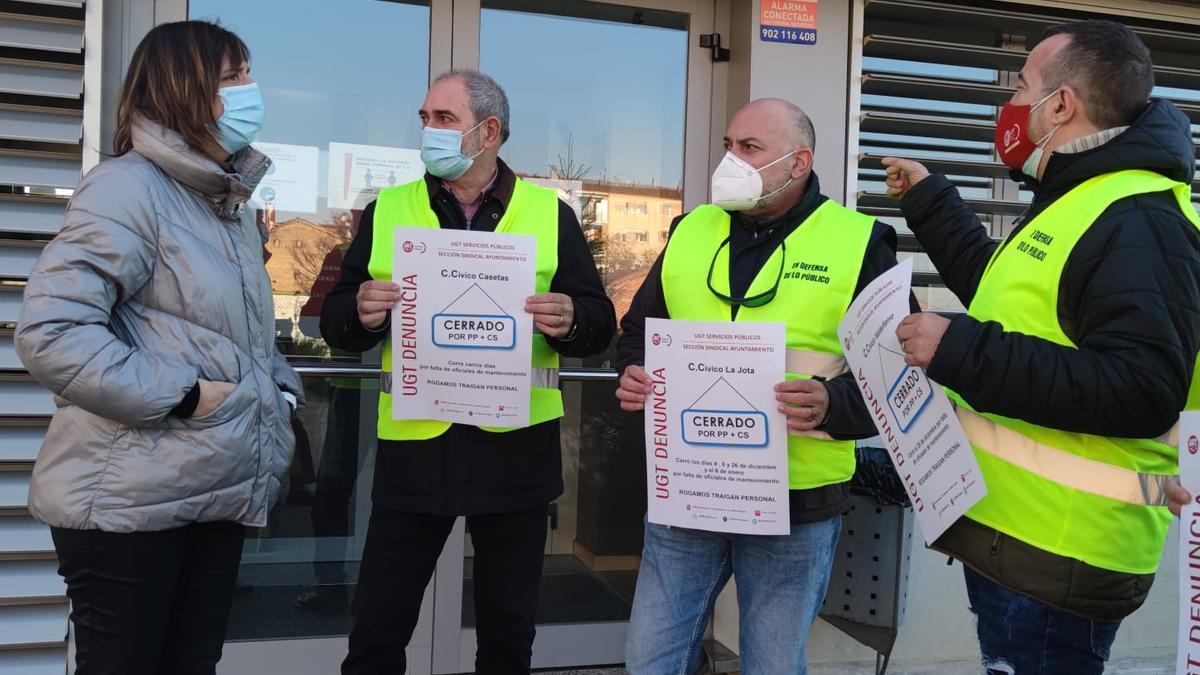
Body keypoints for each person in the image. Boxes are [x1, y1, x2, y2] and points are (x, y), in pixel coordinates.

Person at [883, 19, 1200, 674]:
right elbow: (1006, 300)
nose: (1010, 106)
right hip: (1021, 543)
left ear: (1062, 104)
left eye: (1023, 85)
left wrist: (959, 349)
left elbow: (1141, 388)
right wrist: (930, 199)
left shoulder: (1138, 218)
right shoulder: (1079, 201)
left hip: (1064, 555)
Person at [13, 21, 302, 675]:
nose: (251, 90)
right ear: (183, 89)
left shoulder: (223, 204)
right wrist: (186, 395)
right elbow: (51, 332)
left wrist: (279, 389)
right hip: (127, 500)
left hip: (212, 487)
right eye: (234, 77)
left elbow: (238, 336)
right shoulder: (128, 187)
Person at [321, 70, 615, 674]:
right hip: (415, 451)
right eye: (425, 118)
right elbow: (336, 323)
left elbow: (599, 322)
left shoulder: (550, 215)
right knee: (376, 633)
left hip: (515, 455)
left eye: (444, 119)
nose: (428, 130)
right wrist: (361, 311)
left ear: (489, 132)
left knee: (507, 638)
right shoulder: (387, 211)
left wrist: (570, 319)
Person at [616, 98, 914, 675]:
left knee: (773, 665)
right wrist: (634, 372)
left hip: (795, 503)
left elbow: (900, 376)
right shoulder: (690, 229)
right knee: (649, 658)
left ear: (798, 162)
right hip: (690, 489)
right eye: (729, 144)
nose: (731, 159)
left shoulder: (860, 242)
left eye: (749, 148)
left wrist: (834, 406)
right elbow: (641, 332)